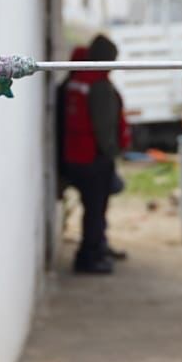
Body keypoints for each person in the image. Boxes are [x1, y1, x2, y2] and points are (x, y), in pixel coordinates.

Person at [57, 35, 129, 274]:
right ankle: (89, 257)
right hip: (93, 159)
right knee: (95, 210)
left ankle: (98, 247)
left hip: (74, 156)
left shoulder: (75, 77)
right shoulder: (98, 84)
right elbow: (104, 127)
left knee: (93, 209)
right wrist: (111, 154)